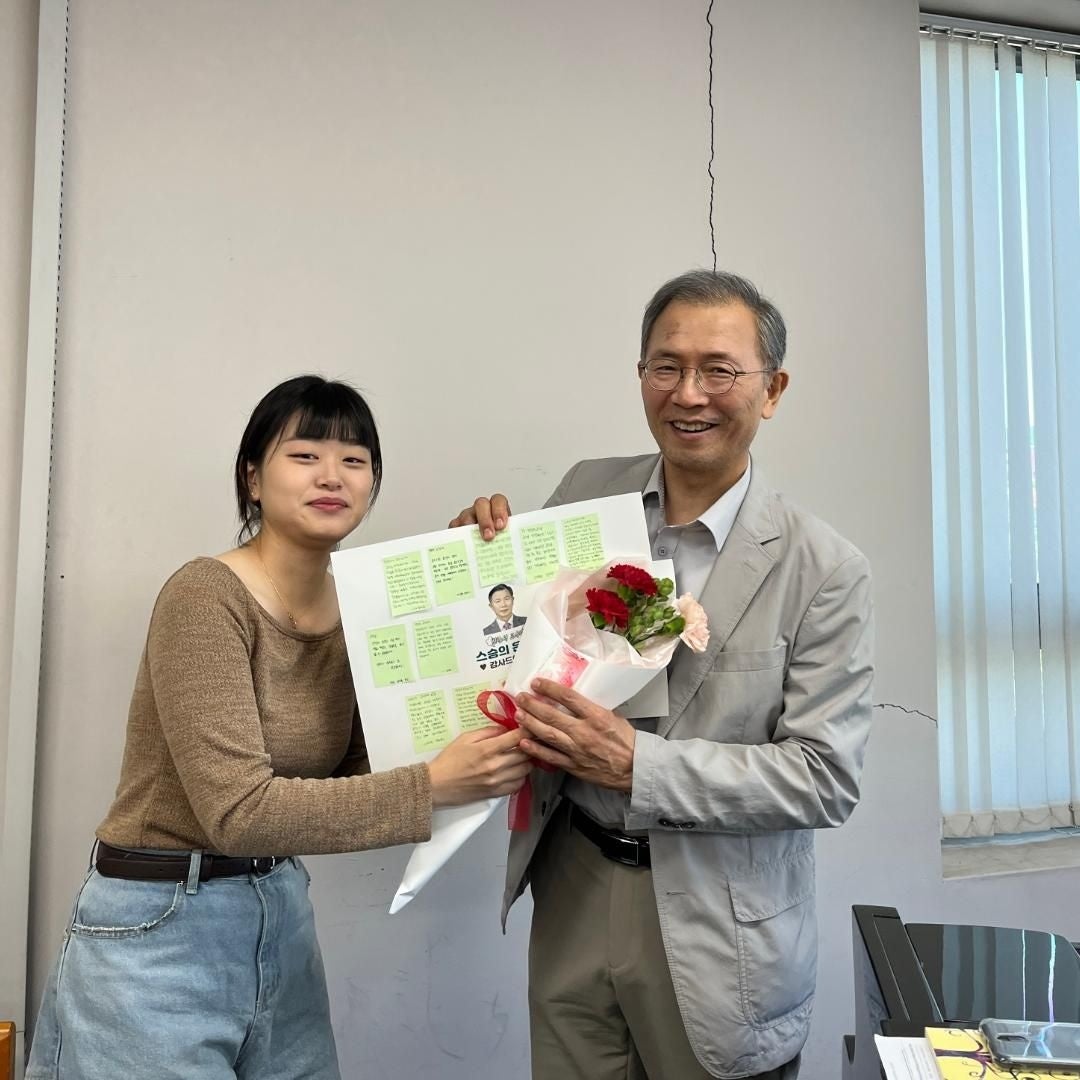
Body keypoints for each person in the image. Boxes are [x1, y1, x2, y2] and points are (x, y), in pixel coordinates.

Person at [26, 375, 531, 1080]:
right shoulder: (206, 596)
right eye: (304, 455)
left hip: (280, 914)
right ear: (253, 478)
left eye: (354, 460)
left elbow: (366, 768)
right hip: (159, 926)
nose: (332, 475)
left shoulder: (361, 609)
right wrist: (433, 786)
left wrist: (460, 585)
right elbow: (237, 812)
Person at [451, 270, 874, 1080]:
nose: (688, 394)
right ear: (640, 372)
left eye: (720, 369)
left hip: (723, 924)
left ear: (773, 389)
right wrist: (467, 570)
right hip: (574, 880)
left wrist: (637, 766)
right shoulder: (585, 493)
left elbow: (825, 778)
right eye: (665, 366)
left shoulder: (824, 568)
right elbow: (521, 648)